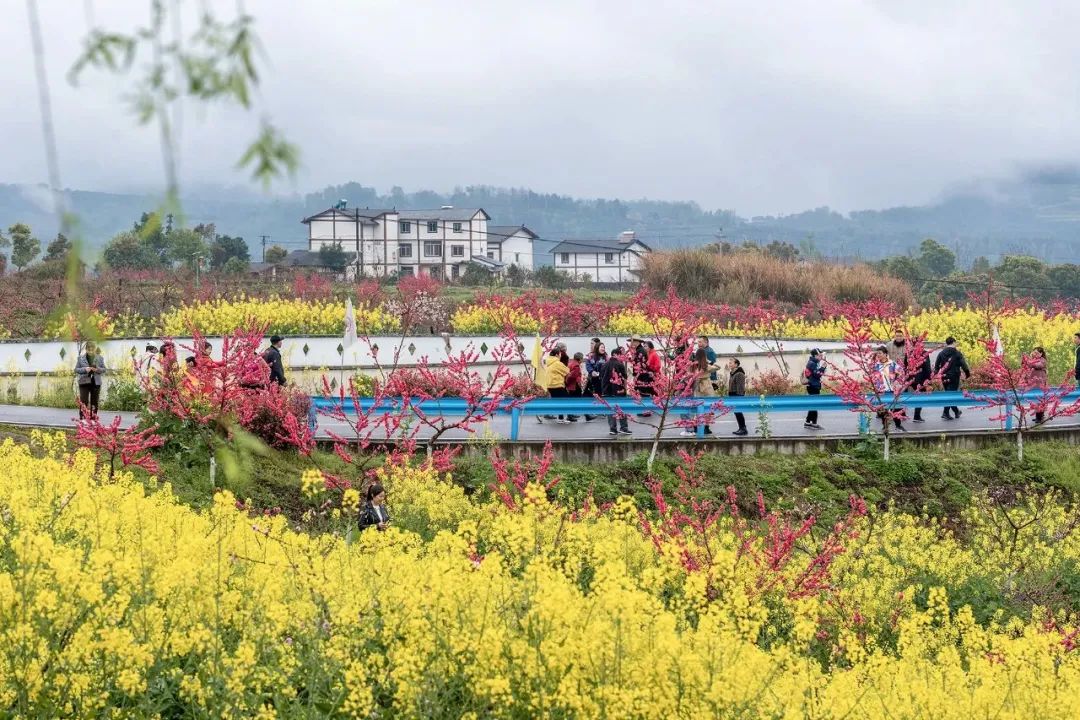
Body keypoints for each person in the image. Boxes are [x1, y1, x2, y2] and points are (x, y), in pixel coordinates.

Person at [681, 348, 721, 437]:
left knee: (698, 407)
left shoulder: (693, 366)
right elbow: (718, 367)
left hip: (697, 387)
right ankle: (706, 426)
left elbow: (687, 375)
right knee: (708, 408)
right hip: (707, 387)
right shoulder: (706, 366)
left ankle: (696, 425)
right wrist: (709, 361)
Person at [934, 336, 971, 420]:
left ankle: (956, 411)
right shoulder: (957, 353)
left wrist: (933, 375)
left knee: (948, 393)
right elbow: (963, 364)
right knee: (951, 394)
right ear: (954, 342)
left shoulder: (941, 353)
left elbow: (936, 366)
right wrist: (967, 373)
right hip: (954, 376)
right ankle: (945, 413)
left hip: (944, 376)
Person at [872, 345, 905, 432]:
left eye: (880, 353)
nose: (878, 355)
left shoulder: (892, 364)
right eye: (877, 353)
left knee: (896, 407)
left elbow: (901, 372)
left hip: (892, 390)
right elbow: (873, 378)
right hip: (881, 391)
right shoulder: (876, 366)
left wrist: (897, 382)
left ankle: (898, 425)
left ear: (885, 354)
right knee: (883, 409)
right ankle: (885, 425)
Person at [601, 347, 632, 436]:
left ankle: (612, 429)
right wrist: (625, 389)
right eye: (621, 355)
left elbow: (601, 377)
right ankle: (624, 427)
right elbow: (624, 378)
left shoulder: (605, 364)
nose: (622, 357)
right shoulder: (619, 364)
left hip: (607, 390)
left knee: (610, 410)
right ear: (616, 354)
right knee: (621, 408)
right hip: (618, 390)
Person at [74, 341, 107, 419]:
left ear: (95, 349)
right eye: (89, 350)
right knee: (84, 401)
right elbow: (76, 369)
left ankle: (93, 419)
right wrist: (85, 369)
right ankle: (82, 419)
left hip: (96, 382)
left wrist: (97, 369)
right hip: (84, 382)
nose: (91, 351)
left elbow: (104, 369)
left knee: (94, 402)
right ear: (86, 349)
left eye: (92, 349)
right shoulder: (80, 358)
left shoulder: (100, 358)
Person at [905, 346, 933, 423]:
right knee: (921, 397)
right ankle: (916, 416)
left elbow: (905, 366)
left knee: (906, 396)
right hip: (921, 379)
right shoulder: (924, 353)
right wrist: (929, 381)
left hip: (910, 378)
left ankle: (903, 413)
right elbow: (927, 368)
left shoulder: (909, 352)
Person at [544, 348, 570, 424]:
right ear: (556, 355)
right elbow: (567, 371)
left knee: (557, 401)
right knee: (566, 400)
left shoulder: (549, 362)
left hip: (550, 385)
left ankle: (560, 418)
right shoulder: (557, 363)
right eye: (560, 354)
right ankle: (562, 417)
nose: (560, 356)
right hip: (557, 384)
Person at [803, 349, 827, 430]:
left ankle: (808, 422)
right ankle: (813, 423)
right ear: (814, 356)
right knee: (814, 405)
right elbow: (817, 375)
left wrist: (823, 360)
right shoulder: (812, 364)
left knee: (813, 405)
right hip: (813, 386)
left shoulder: (813, 362)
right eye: (819, 355)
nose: (820, 356)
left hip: (813, 386)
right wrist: (823, 368)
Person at [583, 342, 607, 421]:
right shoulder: (591, 356)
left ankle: (601, 410)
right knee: (589, 395)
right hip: (593, 379)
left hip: (602, 379)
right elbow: (588, 365)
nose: (603, 349)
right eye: (601, 347)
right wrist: (592, 371)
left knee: (600, 395)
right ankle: (589, 411)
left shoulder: (606, 357)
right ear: (597, 348)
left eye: (603, 347)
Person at [1026, 346, 1049, 424]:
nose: (1035, 354)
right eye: (1034, 352)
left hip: (1040, 383)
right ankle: (1037, 417)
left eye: (1037, 353)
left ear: (1041, 354)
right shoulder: (1033, 360)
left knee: (1040, 400)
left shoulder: (1043, 360)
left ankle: (1040, 417)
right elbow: (1026, 365)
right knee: (1036, 400)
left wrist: (1030, 362)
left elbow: (1038, 365)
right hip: (1034, 384)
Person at [727, 357, 748, 435]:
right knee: (736, 412)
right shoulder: (732, 373)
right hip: (732, 395)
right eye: (729, 363)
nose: (729, 364)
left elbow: (740, 387)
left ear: (736, 364)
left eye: (731, 363)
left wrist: (739, 397)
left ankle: (743, 428)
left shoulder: (739, 373)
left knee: (738, 412)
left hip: (737, 395)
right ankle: (741, 428)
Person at [565, 352, 584, 422]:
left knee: (572, 400)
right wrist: (568, 382)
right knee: (579, 400)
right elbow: (572, 376)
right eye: (582, 358)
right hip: (574, 385)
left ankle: (571, 415)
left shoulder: (571, 363)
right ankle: (570, 416)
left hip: (571, 385)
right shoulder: (576, 366)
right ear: (580, 359)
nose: (582, 360)